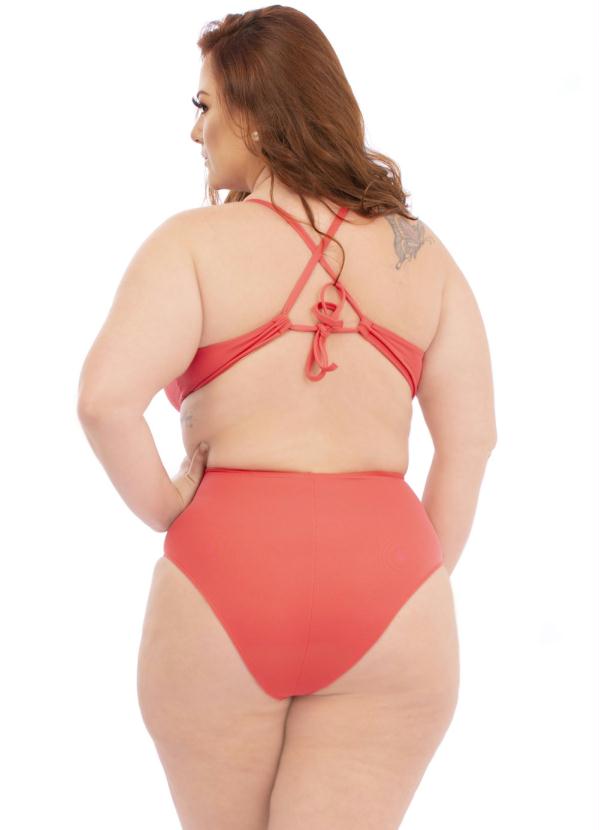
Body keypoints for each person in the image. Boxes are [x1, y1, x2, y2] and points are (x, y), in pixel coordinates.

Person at [77, 6, 497, 829]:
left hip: (226, 578)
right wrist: (414, 578)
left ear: (256, 114)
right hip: (390, 588)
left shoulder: (193, 243)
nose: (194, 131)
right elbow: (472, 439)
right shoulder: (420, 252)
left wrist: (165, 506)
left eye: (204, 105)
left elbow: (102, 401)